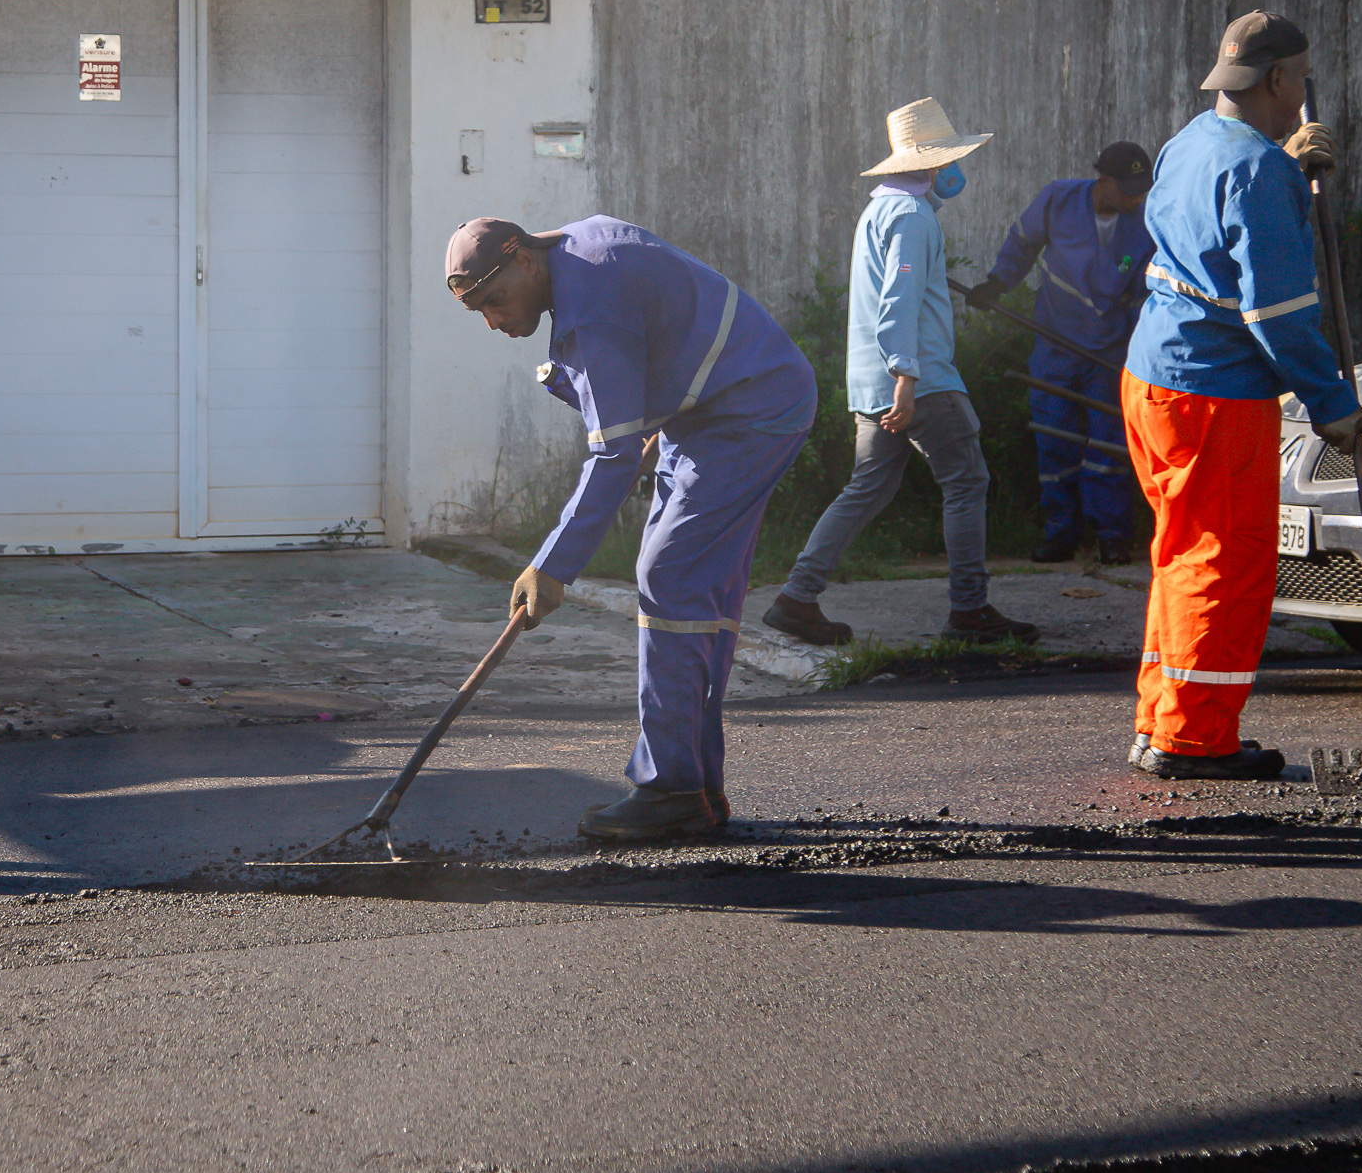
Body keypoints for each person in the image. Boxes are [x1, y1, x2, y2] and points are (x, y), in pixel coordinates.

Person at [449, 215, 818, 842]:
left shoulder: (591, 299)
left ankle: (674, 789)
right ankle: (694, 784)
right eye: (479, 311)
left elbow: (613, 454)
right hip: (705, 411)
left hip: (750, 406)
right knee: (688, 586)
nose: (493, 321)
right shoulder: (580, 253)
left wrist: (552, 565)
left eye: (493, 301)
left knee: (669, 576)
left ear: (524, 260)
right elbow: (660, 342)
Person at [1123, 12, 1362, 780]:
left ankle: (1160, 719)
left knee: (1180, 552)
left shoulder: (1192, 139)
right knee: (1224, 562)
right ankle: (1193, 739)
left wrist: (1286, 170)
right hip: (1214, 396)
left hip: (1154, 379)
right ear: (1278, 81)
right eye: (1297, 77)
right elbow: (1278, 314)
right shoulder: (1261, 171)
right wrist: (1332, 404)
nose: (1301, 90)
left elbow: (1218, 225)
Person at [762, 99, 1038, 650]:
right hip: (919, 378)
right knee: (967, 482)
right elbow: (899, 300)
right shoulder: (913, 217)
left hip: (873, 381)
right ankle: (969, 610)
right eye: (951, 161)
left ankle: (797, 597)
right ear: (934, 164)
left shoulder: (882, 209)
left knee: (866, 487)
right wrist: (907, 380)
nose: (956, 171)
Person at [967, 140, 1156, 566]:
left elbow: (1148, 292)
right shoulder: (1058, 199)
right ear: (1102, 181)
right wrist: (997, 284)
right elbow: (1020, 244)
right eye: (1127, 188)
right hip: (1055, 344)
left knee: (1108, 445)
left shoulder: (1145, 224)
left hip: (1110, 351)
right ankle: (1061, 533)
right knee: (1054, 439)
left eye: (1140, 189)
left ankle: (1111, 534)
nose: (1135, 197)